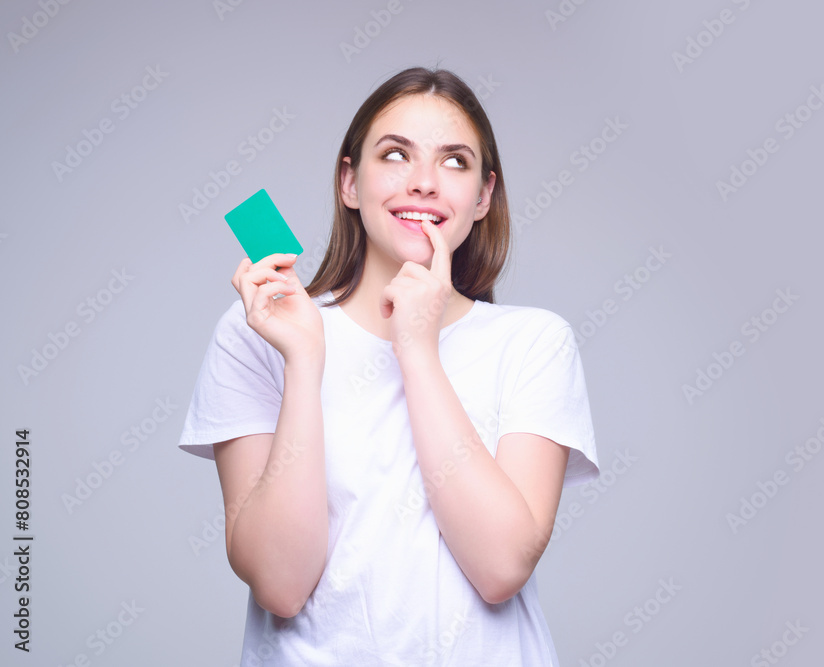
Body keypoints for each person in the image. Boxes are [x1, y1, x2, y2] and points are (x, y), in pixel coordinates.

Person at [177, 66, 600, 666]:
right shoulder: (261, 331)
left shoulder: (534, 342)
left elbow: (501, 566)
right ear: (349, 181)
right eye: (396, 154)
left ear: (482, 197)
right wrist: (304, 361)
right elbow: (280, 583)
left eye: (454, 161)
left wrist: (417, 349)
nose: (424, 183)